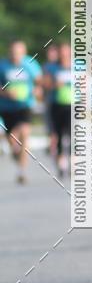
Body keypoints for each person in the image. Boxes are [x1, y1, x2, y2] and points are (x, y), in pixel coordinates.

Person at [0, 40, 42, 184]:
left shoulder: (30, 64)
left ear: (24, 52)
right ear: (9, 52)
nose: (15, 55)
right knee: (11, 140)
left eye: (19, 52)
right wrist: (6, 93)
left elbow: (39, 81)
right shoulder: (3, 65)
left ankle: (22, 171)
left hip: (25, 105)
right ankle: (17, 157)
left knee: (24, 132)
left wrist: (37, 90)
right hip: (7, 107)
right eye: (13, 52)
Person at [45, 42, 72, 178]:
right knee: (59, 135)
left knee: (74, 136)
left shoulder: (78, 66)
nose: (64, 54)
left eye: (66, 51)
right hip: (56, 105)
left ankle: (73, 163)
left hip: (73, 105)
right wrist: (55, 84)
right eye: (62, 52)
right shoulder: (51, 67)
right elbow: (46, 84)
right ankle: (62, 164)